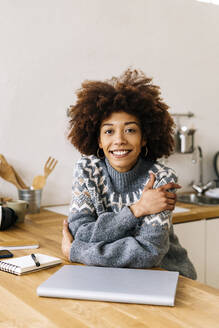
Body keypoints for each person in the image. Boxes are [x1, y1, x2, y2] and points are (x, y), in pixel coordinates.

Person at [62, 69, 197, 279]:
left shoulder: (161, 178)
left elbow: (149, 253)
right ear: (98, 140)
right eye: (109, 131)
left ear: (144, 138)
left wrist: (77, 251)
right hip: (114, 276)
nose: (119, 140)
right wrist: (137, 209)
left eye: (130, 130)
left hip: (167, 277)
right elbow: (79, 233)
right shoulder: (87, 170)